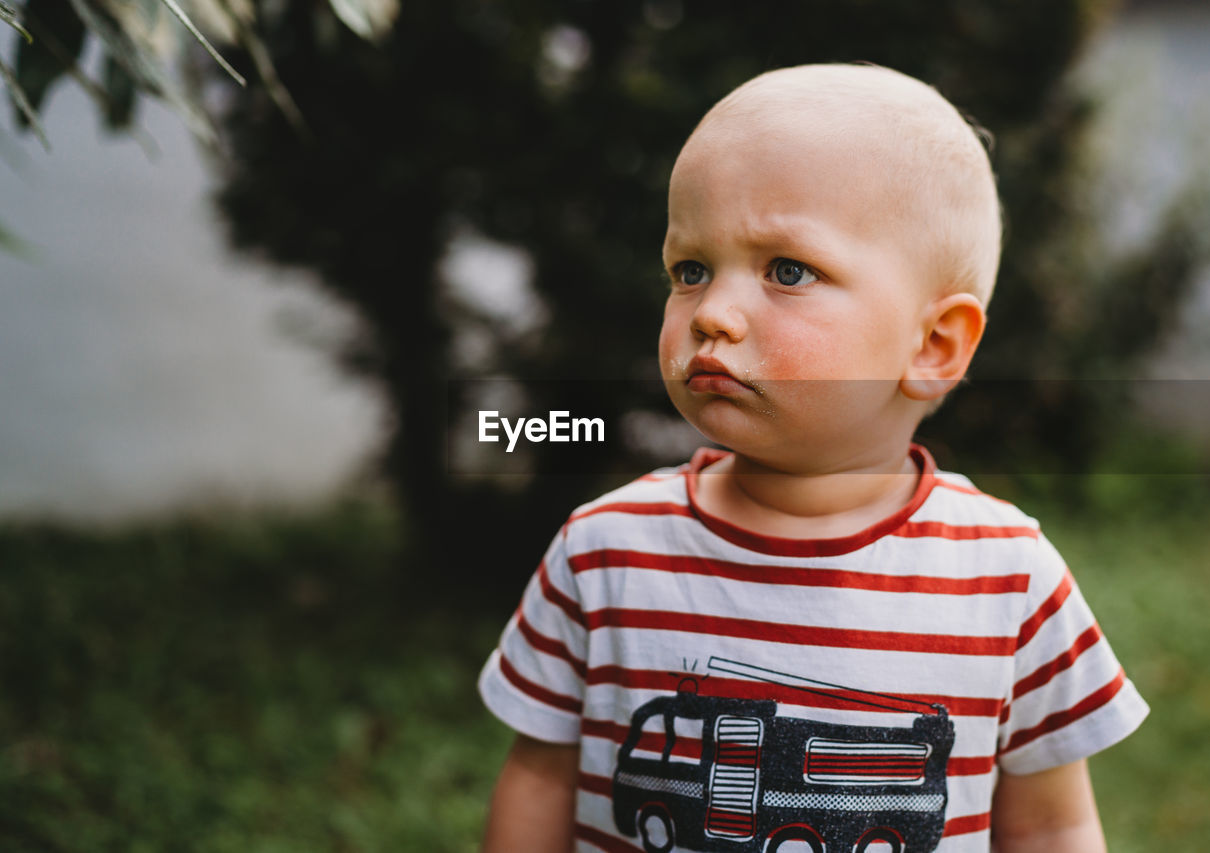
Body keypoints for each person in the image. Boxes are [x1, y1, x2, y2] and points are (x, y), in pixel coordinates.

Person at [476, 63, 1148, 853]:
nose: (713, 315)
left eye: (787, 270)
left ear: (932, 344)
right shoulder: (603, 550)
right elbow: (543, 778)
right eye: (689, 270)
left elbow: (1050, 823)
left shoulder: (1011, 580)